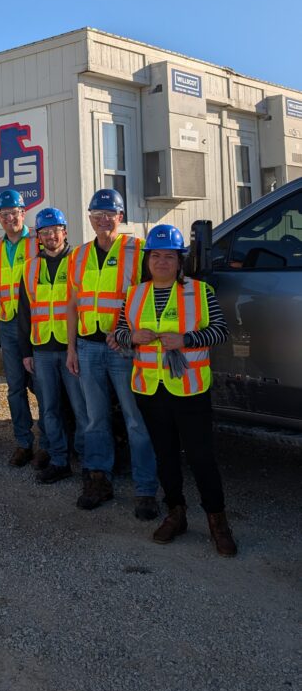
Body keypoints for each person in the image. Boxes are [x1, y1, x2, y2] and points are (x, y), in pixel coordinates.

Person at [115, 225, 236, 555]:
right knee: (165, 456)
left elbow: (220, 331)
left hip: (189, 388)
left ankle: (217, 522)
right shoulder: (135, 293)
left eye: (170, 256)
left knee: (201, 457)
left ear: (180, 261)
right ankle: (176, 513)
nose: (162, 262)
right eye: (156, 255)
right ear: (148, 260)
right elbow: (119, 334)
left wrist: (187, 339)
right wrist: (131, 337)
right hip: (150, 388)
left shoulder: (200, 292)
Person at [66, 189, 159, 520]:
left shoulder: (137, 251)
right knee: (95, 419)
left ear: (121, 217)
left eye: (110, 213)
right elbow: (73, 305)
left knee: (136, 420)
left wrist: (130, 334)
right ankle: (98, 480)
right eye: (97, 213)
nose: (103, 218)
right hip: (88, 348)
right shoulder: (77, 256)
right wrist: (71, 348)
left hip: (123, 348)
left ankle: (146, 489)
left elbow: (149, 295)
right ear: (89, 217)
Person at [19, 208, 87, 483]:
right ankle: (59, 460)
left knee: (82, 409)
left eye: (55, 230)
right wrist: (26, 352)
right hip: (42, 348)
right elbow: (24, 312)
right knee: (49, 408)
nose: (50, 236)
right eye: (44, 232)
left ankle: (87, 461)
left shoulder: (78, 262)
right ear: (38, 236)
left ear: (65, 231)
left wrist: (77, 346)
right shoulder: (30, 267)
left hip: (73, 348)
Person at [0, 188, 41, 467]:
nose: (10, 218)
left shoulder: (37, 242)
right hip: (9, 324)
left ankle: (48, 443)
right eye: (5, 214)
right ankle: (23, 442)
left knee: (44, 386)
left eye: (15, 213)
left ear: (24, 213)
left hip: (39, 322)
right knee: (15, 387)